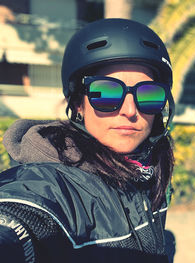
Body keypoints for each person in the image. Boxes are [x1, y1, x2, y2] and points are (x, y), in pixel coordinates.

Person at [0, 18, 175, 263]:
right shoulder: (49, 185)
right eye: (106, 93)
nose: (130, 110)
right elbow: (17, 222)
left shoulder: (147, 169)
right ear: (78, 104)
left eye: (149, 94)